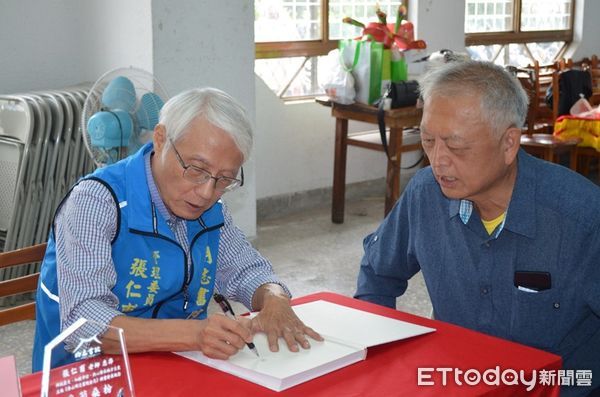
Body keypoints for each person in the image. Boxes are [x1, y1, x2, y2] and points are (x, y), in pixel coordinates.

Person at [355, 61, 600, 396]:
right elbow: (377, 273)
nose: (438, 160)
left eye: (456, 146)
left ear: (509, 144)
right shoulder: (426, 194)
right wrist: (384, 355)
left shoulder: (581, 217)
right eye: (428, 140)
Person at [33, 87, 322, 371]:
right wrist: (194, 335)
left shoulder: (209, 208)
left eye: (224, 179)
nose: (207, 193)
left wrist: (274, 298)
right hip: (91, 375)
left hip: (176, 363)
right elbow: (83, 323)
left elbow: (247, 270)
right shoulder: (96, 202)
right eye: (196, 170)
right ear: (160, 139)